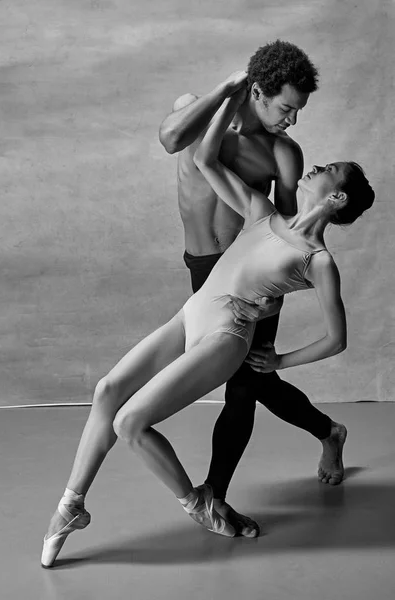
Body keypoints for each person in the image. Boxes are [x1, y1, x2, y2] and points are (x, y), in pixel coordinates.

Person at [41, 85, 374, 568]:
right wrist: (226, 102)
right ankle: (71, 507)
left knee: (130, 422)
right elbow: (205, 161)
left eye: (328, 171)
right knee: (108, 390)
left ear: (337, 196)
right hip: (192, 313)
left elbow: (337, 339)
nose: (316, 168)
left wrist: (280, 358)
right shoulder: (264, 212)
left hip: (225, 336)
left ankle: (199, 502)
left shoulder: (318, 260)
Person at [158, 41, 350, 535]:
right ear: (258, 91)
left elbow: (287, 227)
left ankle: (214, 498)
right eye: (286, 108)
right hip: (203, 267)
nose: (291, 121)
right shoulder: (199, 114)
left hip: (254, 279)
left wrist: (276, 293)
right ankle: (329, 431)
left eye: (298, 111)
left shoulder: (284, 152)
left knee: (243, 387)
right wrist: (226, 90)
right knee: (258, 379)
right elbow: (171, 139)